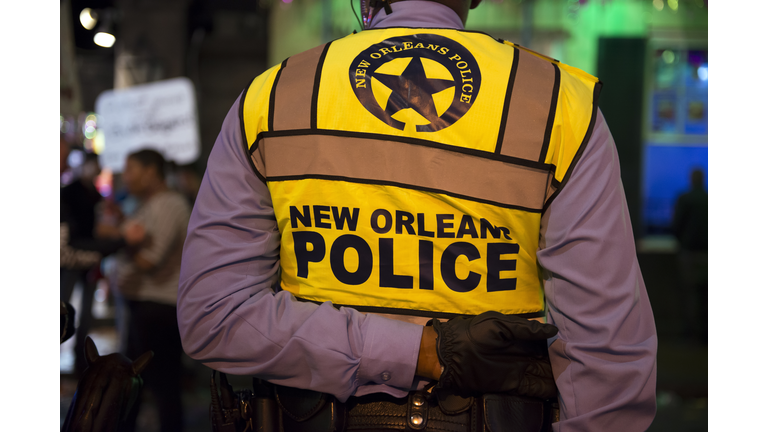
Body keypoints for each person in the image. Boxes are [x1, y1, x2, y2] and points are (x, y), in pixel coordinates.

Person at [177, 1, 658, 430]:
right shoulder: (560, 105)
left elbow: (215, 316)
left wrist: (412, 351)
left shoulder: (272, 98)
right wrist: (427, 352)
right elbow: (608, 356)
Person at [114, 149, 191, 432]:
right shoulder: (147, 204)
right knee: (132, 383)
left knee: (162, 386)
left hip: (158, 308)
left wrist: (125, 241)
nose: (126, 176)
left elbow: (149, 260)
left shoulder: (170, 204)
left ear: (150, 172)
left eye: (131, 169)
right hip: (144, 307)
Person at [672, 168, 707, 342]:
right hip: (707, 253)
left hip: (689, 253)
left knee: (690, 294)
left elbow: (677, 225)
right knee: (706, 295)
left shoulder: (685, 199)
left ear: (691, 180)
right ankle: (705, 334)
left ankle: (691, 333)